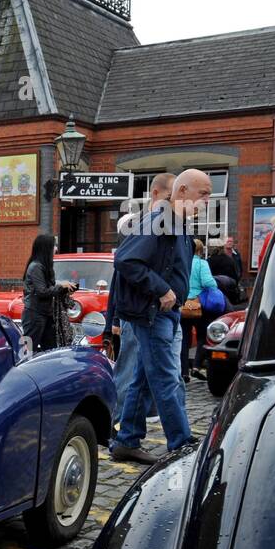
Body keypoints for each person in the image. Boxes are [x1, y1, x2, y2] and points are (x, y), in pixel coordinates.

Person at [110, 168, 211, 462]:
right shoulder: (160, 221)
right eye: (202, 193)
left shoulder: (176, 224)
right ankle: (181, 443)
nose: (207, 200)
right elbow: (125, 260)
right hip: (153, 314)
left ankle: (126, 440)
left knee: (143, 379)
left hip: (163, 314)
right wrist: (163, 290)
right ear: (181, 192)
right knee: (166, 378)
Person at [107, 173, 173, 426]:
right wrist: (114, 318)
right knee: (130, 367)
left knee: (144, 370)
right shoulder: (146, 225)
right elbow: (123, 271)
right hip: (139, 311)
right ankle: (117, 420)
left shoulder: (163, 225)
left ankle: (130, 425)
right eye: (169, 196)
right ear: (156, 195)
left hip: (153, 311)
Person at [22, 234, 73, 353]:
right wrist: (61, 286)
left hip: (46, 314)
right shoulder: (35, 267)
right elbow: (42, 291)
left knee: (51, 350)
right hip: (34, 315)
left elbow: (48, 287)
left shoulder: (45, 266)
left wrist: (63, 285)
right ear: (46, 248)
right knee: (28, 351)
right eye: (53, 246)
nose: (55, 249)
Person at [182, 238, 218, 381]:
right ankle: (196, 366)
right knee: (203, 336)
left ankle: (184, 372)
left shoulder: (183, 262)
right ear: (200, 250)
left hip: (184, 305)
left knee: (184, 339)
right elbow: (209, 283)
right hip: (198, 305)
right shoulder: (202, 263)